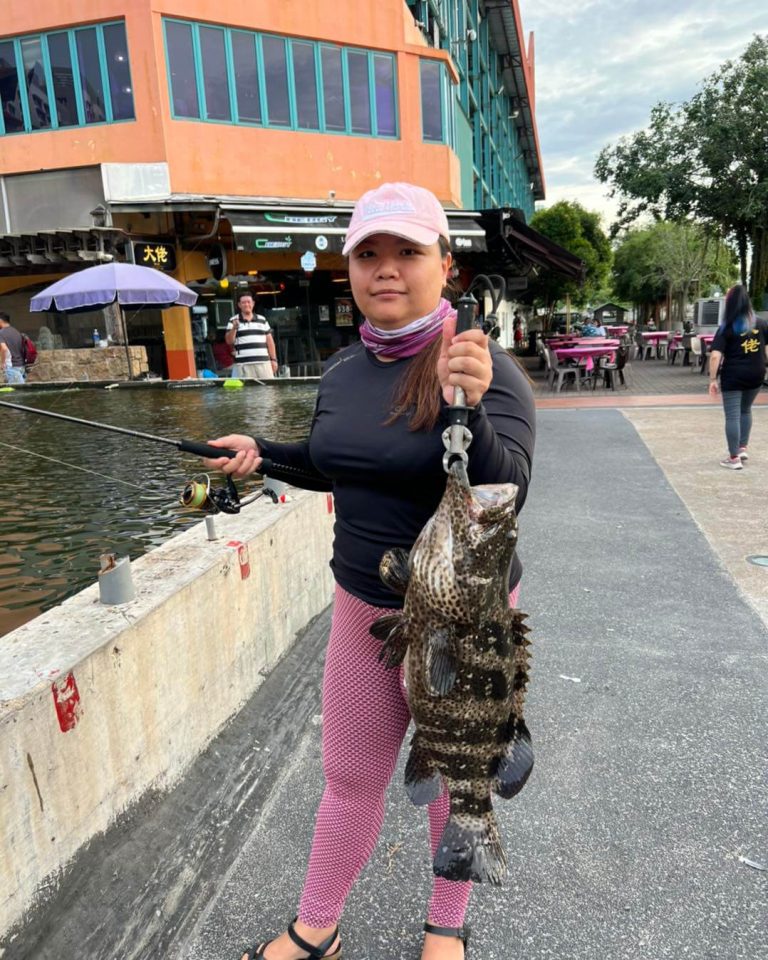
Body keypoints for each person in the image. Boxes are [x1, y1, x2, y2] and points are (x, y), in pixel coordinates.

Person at [204, 182, 535, 960]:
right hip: (362, 606)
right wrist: (262, 458)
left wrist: (474, 409)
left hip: (462, 618)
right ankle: (318, 927)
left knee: (455, 774)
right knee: (349, 774)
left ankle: (445, 927)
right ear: (349, 268)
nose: (387, 269)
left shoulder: (485, 369)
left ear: (445, 266)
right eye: (369, 254)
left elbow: (510, 488)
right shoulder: (345, 371)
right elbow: (334, 466)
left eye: (408, 252)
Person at [708, 284, 768, 470]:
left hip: (733, 376)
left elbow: (716, 355)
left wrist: (712, 379)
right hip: (756, 374)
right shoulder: (761, 323)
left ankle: (734, 458)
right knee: (746, 410)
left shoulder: (727, 326)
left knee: (732, 415)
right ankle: (742, 447)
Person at [226, 291, 278, 379]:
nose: (246, 305)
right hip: (242, 365)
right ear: (239, 305)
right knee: (244, 392)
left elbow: (270, 342)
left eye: (248, 302)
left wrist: (273, 360)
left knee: (268, 391)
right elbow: (229, 341)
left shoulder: (262, 320)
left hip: (263, 364)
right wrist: (234, 328)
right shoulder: (233, 320)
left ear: (253, 303)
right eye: (243, 302)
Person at [0, 312, 25, 384]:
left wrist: (2, 363)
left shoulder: (1, 333)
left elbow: (4, 349)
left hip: (12, 367)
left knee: (15, 393)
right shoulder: (16, 331)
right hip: (21, 366)